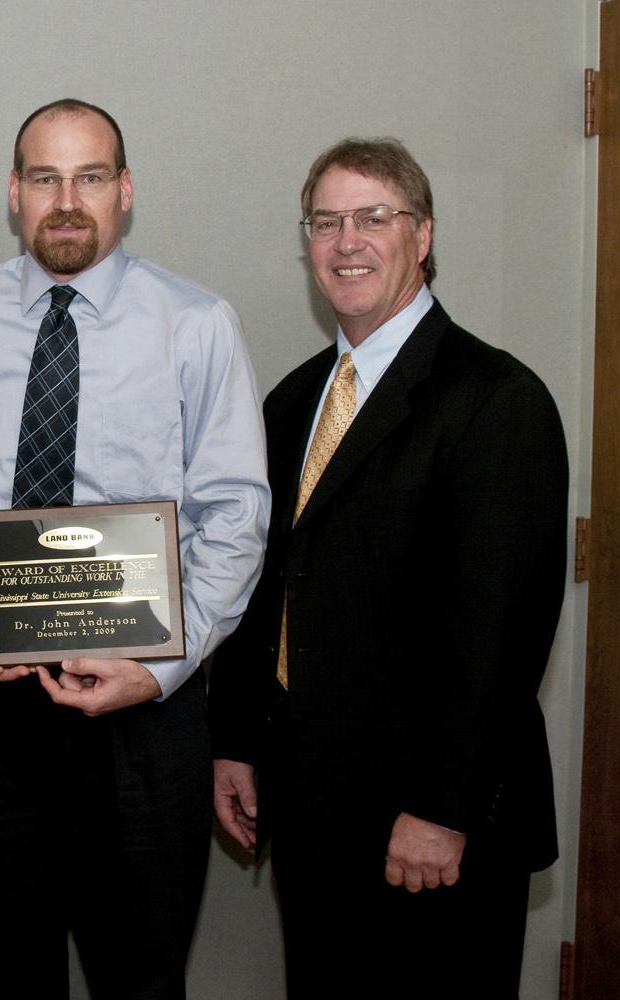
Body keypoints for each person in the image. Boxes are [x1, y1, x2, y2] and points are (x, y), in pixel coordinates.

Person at [0, 98, 270, 1000]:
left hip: (146, 713)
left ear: (126, 190)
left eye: (90, 176)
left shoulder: (197, 324)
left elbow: (236, 519)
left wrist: (161, 672)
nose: (66, 200)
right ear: (14, 193)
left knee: (139, 976)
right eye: (45, 177)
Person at [210, 138, 568, 998]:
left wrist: (443, 810)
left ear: (424, 234)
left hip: (433, 829)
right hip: (311, 811)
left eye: (374, 217)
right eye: (326, 222)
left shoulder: (495, 399)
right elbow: (267, 586)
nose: (347, 241)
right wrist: (235, 742)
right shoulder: (294, 401)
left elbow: (501, 635)